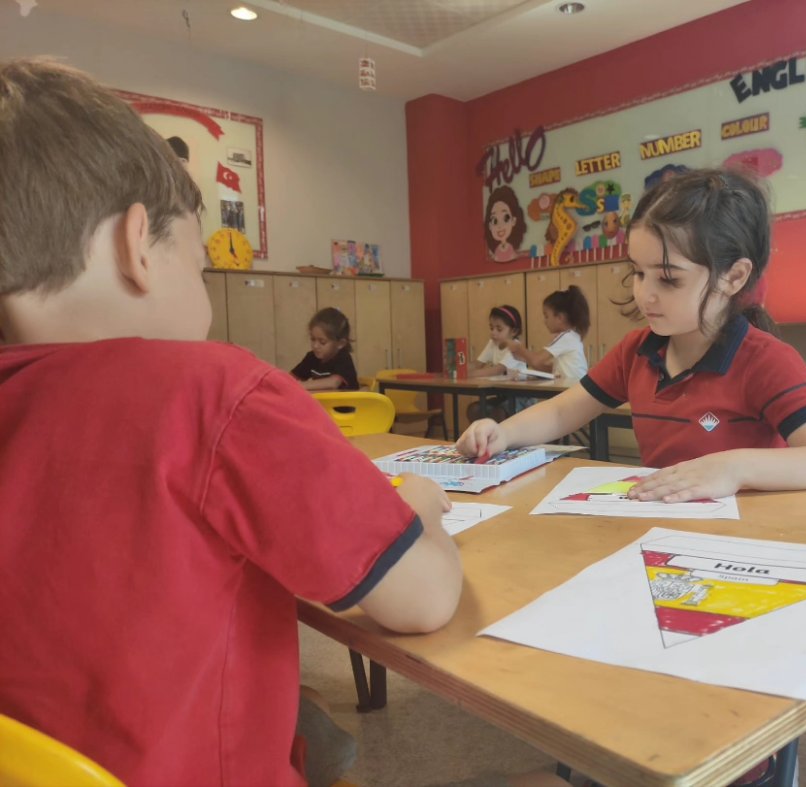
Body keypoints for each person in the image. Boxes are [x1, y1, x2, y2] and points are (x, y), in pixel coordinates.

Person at [0, 58, 461, 786]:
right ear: (137, 243)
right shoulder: (217, 393)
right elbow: (424, 597)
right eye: (203, 262)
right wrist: (421, 507)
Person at [458, 168, 806, 505]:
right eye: (638, 272)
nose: (644, 294)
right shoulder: (637, 351)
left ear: (734, 276)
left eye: (668, 279)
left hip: (746, 539)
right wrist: (504, 432)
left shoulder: (764, 359)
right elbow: (565, 411)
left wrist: (733, 467)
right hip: (662, 526)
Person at [506, 285, 590, 381]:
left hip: (574, 389)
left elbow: (536, 360)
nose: (544, 321)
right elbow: (547, 368)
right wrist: (524, 357)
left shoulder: (566, 336)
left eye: (546, 316)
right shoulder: (572, 336)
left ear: (559, 318)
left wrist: (518, 348)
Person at [466, 305, 527, 422]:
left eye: (499, 329)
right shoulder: (492, 343)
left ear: (514, 331)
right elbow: (478, 364)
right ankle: (484, 439)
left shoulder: (515, 346)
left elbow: (497, 370)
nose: (493, 333)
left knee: (499, 412)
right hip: (503, 395)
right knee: (474, 409)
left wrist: (468, 374)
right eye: (491, 328)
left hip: (521, 396)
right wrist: (458, 369)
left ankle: (504, 440)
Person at [290, 307, 360, 391]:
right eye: (313, 339)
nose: (315, 346)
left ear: (340, 343)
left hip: (346, 403)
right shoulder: (311, 357)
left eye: (322, 342)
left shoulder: (343, 358)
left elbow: (333, 383)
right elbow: (291, 378)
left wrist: (298, 385)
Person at [485, 186, 527, 263]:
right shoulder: (496, 251)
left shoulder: (511, 248)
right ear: (489, 226)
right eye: (494, 220)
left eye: (506, 218)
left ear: (513, 220)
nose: (500, 226)